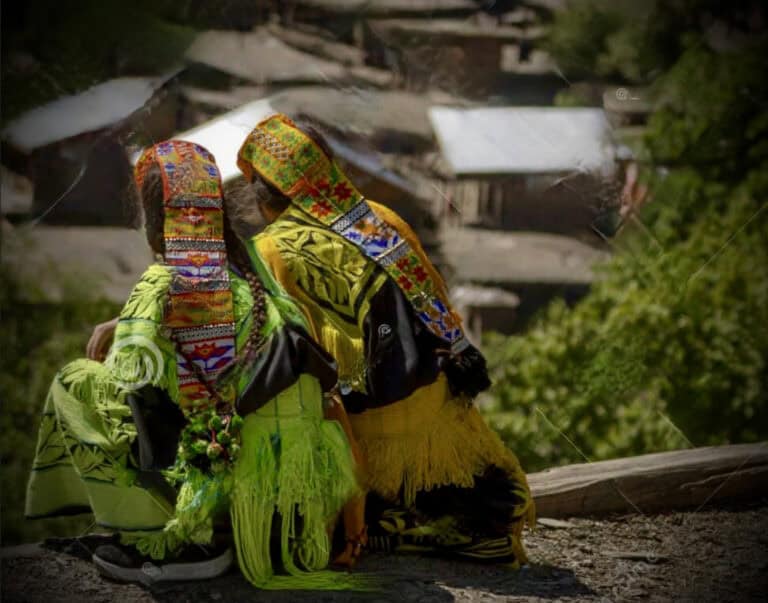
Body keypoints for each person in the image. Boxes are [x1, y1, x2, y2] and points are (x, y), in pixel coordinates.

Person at [26, 140, 364, 588]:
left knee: (78, 383)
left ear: (154, 226)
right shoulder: (255, 274)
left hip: (221, 503)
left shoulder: (161, 285)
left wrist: (133, 325)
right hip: (291, 513)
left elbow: (132, 386)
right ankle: (221, 526)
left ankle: (169, 543)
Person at [233, 114, 535, 565]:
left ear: (262, 196)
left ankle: (378, 515)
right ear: (327, 171)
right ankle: (446, 520)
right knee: (476, 485)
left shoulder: (268, 251)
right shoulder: (381, 218)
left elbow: (274, 352)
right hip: (428, 415)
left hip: (350, 430)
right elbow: (438, 306)